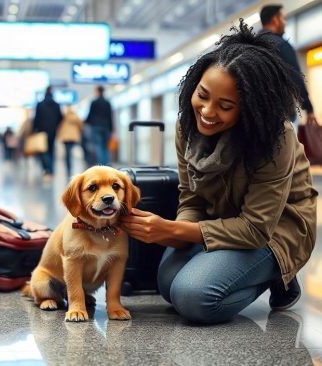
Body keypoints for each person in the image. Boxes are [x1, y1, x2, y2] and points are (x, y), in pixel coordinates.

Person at [121, 20, 317, 325]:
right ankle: (229, 267)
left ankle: (278, 273)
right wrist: (175, 232)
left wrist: (173, 231)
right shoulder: (187, 126)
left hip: (274, 231)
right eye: (202, 94)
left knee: (192, 297)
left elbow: (255, 227)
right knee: (167, 284)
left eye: (226, 106)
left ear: (250, 109)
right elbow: (191, 199)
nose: (208, 112)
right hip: (221, 221)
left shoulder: (274, 138)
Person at [260, 4, 318, 127]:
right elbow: (296, 78)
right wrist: (308, 108)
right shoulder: (281, 45)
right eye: (283, 18)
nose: (285, 23)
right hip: (281, 114)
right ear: (275, 20)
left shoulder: (251, 45)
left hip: (256, 114)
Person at [32, 86, 63, 179]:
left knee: (43, 150)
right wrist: (55, 125)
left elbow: (36, 118)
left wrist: (34, 129)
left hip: (42, 131)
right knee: (51, 150)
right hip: (53, 131)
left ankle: (47, 168)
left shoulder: (40, 104)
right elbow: (60, 118)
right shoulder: (56, 105)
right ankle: (51, 169)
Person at [85, 85, 114, 166]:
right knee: (105, 147)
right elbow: (110, 117)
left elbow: (90, 116)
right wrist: (111, 130)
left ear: (98, 91)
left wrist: (85, 123)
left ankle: (102, 165)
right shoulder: (107, 103)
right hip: (106, 127)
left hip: (96, 127)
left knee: (98, 146)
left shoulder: (94, 102)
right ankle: (107, 163)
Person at [57, 105, 83, 178]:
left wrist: (59, 135)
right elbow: (81, 125)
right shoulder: (75, 116)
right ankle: (70, 167)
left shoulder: (64, 116)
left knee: (67, 153)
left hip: (66, 137)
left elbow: (60, 126)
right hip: (73, 137)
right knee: (70, 151)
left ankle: (68, 168)